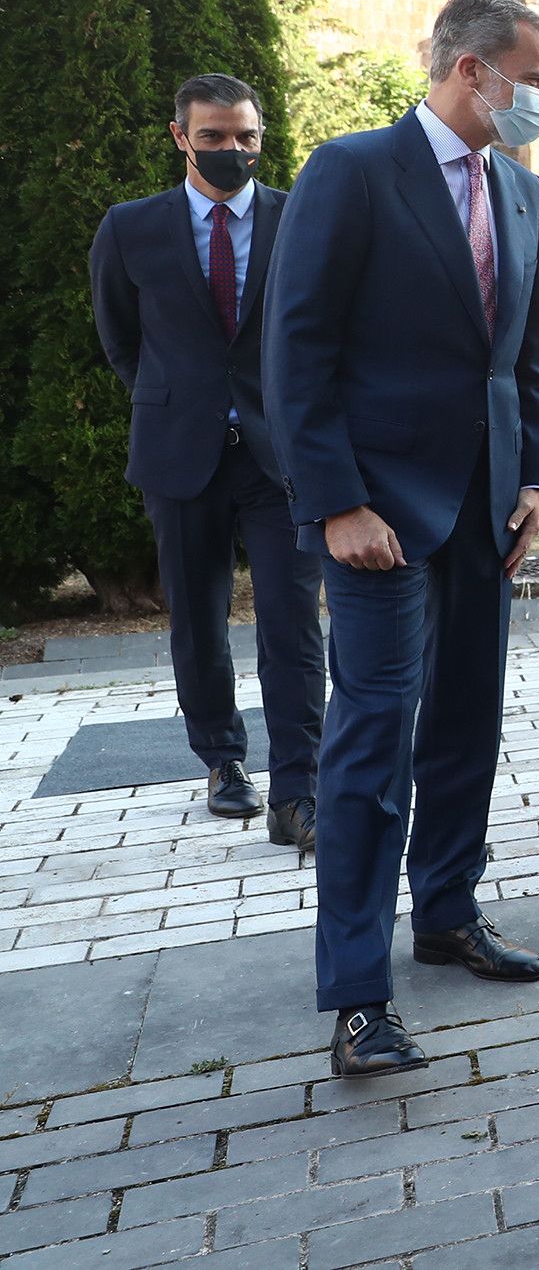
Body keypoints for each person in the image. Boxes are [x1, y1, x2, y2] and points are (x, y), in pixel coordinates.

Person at [264, 0, 539, 1078]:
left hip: (488, 513)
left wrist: (534, 479)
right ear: (472, 69)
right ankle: (358, 994)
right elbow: (296, 348)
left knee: (466, 724)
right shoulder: (352, 171)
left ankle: (446, 910)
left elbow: (529, 355)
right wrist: (335, 501)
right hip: (378, 518)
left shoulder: (520, 191)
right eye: (534, 79)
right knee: (372, 747)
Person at [88, 73, 324, 846]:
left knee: (293, 623)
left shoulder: (298, 217)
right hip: (180, 453)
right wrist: (175, 400)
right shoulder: (130, 228)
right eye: (214, 136)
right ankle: (223, 761)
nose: (232, 149)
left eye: (246, 137)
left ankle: (299, 788)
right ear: (180, 137)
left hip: (279, 456)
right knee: (197, 620)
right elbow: (121, 338)